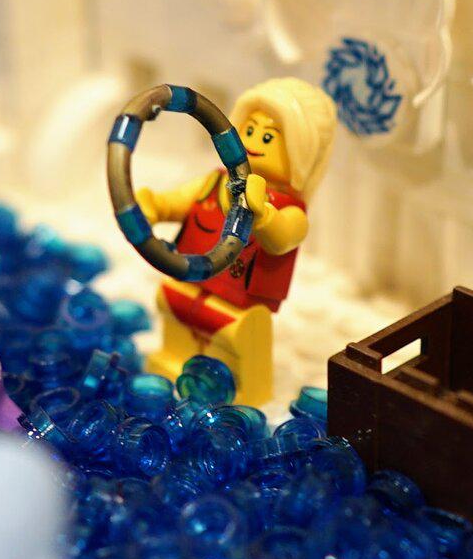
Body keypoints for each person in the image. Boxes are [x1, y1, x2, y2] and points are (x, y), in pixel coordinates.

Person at [134, 78, 336, 406]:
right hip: (189, 282)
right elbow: (178, 201)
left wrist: (263, 214)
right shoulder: (215, 181)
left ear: (301, 152)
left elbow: (284, 237)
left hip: (240, 307)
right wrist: (153, 206)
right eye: (249, 130)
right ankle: (176, 360)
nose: (254, 141)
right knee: (174, 308)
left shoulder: (290, 210)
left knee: (233, 340)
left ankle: (236, 388)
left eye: (268, 137)